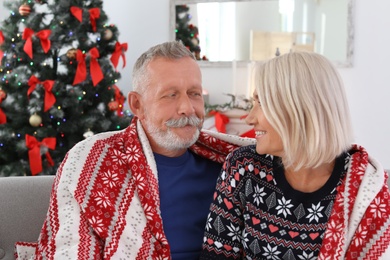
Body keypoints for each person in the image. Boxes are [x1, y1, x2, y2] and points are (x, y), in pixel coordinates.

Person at [15, 41, 255, 259]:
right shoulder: (89, 163)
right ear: (136, 104)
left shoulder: (236, 166)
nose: (187, 108)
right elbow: (71, 251)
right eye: (170, 95)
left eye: (194, 94)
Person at [200, 51, 390, 259]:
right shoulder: (243, 168)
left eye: (261, 102)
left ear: (299, 109)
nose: (250, 118)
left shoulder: (365, 190)